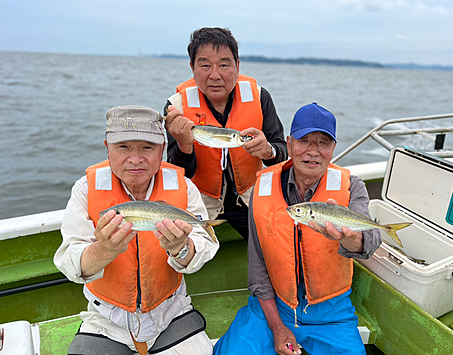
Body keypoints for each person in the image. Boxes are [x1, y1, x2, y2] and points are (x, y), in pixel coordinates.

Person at [213, 102, 382, 355]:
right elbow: (258, 269)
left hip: (331, 312)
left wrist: (350, 239)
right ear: (289, 144)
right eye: (305, 141)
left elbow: (370, 239)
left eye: (323, 143)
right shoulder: (261, 188)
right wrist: (277, 327)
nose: (313, 151)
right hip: (274, 304)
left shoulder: (351, 186)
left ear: (333, 149)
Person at [54, 105, 219, 355]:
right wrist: (103, 250)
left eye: (147, 148)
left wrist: (180, 248)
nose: (135, 159)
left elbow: (202, 251)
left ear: (162, 149)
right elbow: (70, 264)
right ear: (107, 147)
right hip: (106, 319)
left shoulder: (184, 188)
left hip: (171, 311)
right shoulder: (85, 189)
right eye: (123, 147)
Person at [163, 27, 287, 241]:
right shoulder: (177, 107)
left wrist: (268, 150)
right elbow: (177, 173)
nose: (215, 75)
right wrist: (184, 146)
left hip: (248, 197)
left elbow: (282, 153)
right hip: (199, 199)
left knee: (278, 241)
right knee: (174, 246)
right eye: (205, 65)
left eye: (223, 65)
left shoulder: (259, 97)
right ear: (192, 68)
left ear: (237, 66)